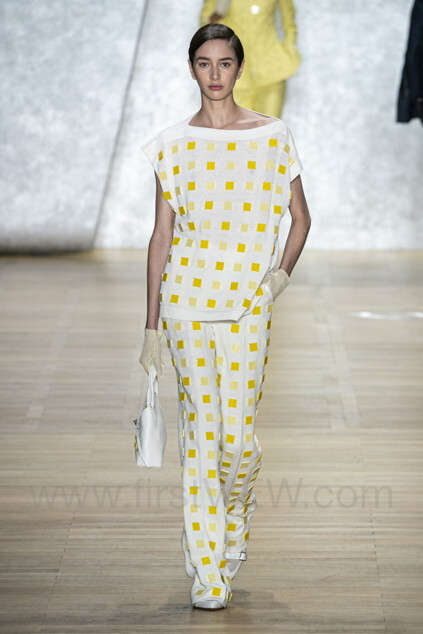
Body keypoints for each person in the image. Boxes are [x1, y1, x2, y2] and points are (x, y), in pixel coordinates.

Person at [139, 23, 311, 610]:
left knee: (236, 444)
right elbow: (161, 237)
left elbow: (300, 217)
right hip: (186, 303)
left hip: (247, 307)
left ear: (239, 68)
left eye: (225, 63)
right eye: (204, 63)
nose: (215, 74)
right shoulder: (171, 143)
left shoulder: (272, 135)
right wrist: (151, 325)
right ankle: (208, 569)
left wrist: (278, 277)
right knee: (201, 441)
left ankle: (234, 520)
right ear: (192, 69)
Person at [200, 0, 301, 117]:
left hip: (272, 74)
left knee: (271, 126)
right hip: (235, 80)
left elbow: (290, 22)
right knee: (236, 128)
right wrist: (219, 11)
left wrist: (288, 50)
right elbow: (205, 25)